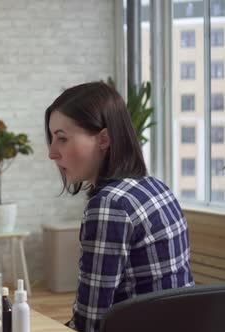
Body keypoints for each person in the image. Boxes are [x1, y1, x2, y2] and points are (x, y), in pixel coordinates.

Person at [44, 82, 194, 332]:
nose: (52, 153)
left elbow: (90, 321)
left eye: (62, 139)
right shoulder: (156, 187)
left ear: (103, 139)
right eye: (52, 139)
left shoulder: (109, 205)